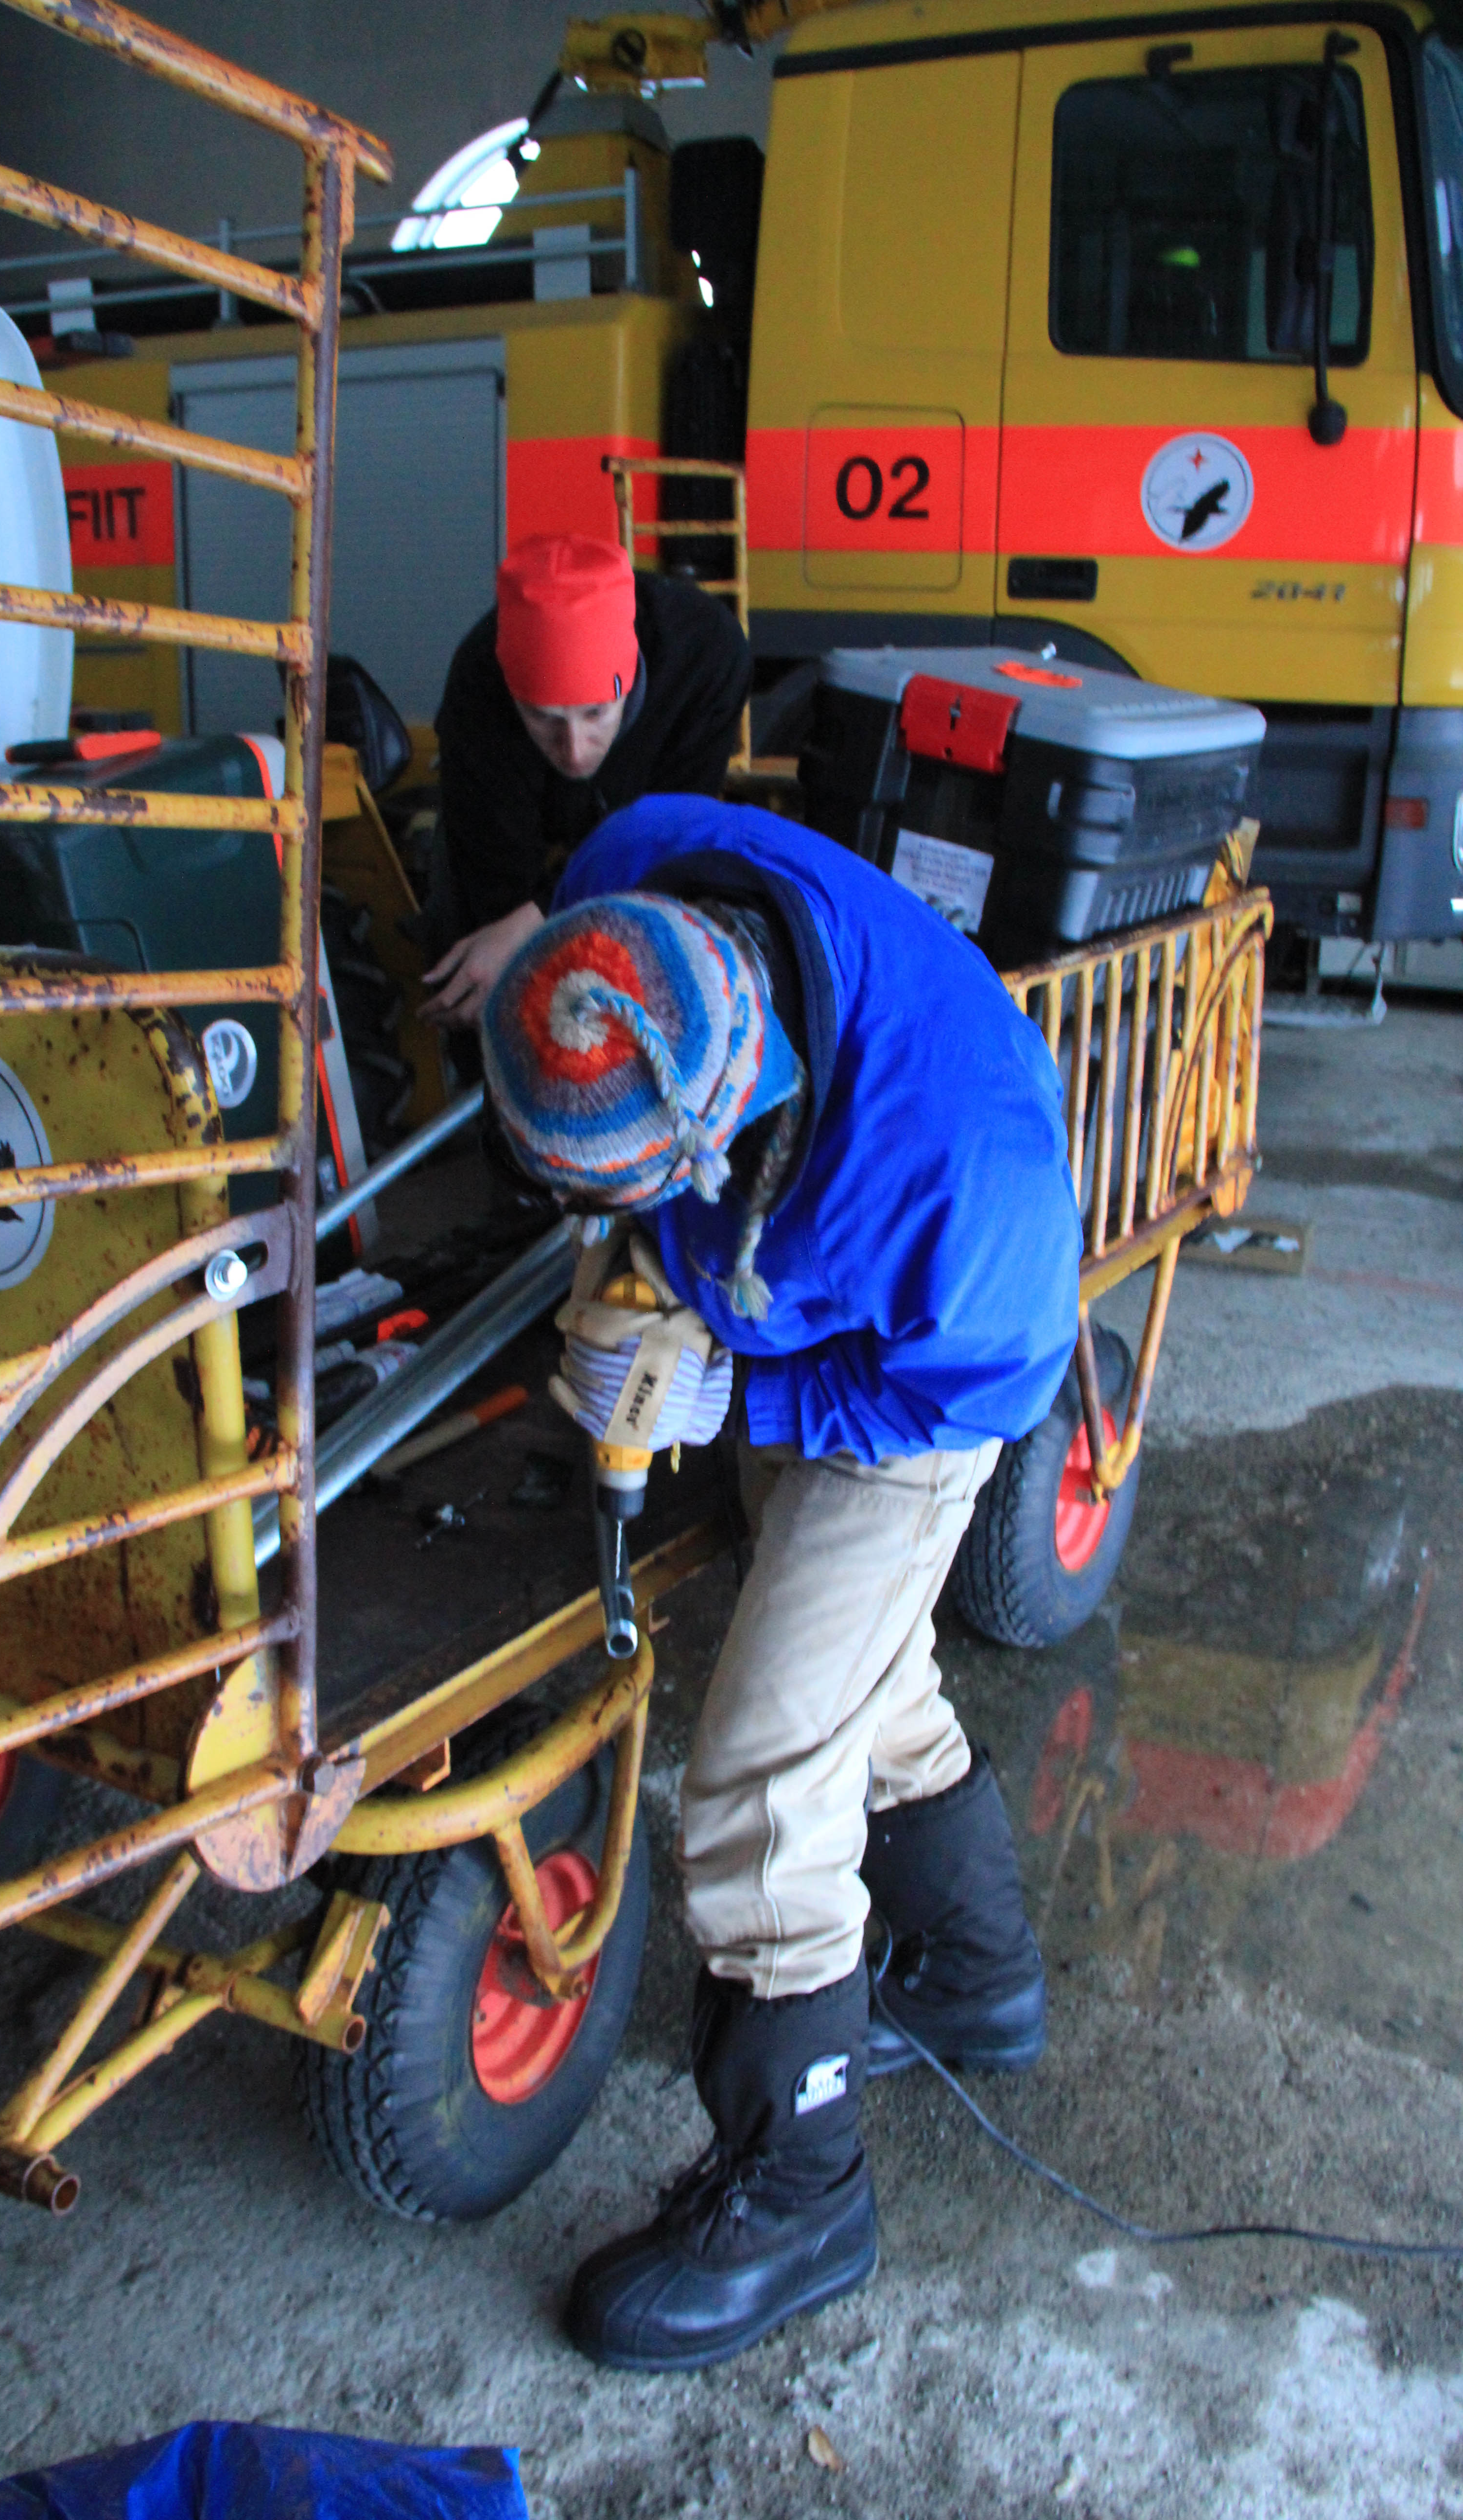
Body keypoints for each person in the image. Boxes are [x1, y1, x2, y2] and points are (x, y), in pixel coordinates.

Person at [478, 791, 1082, 2373]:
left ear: (731, 1125)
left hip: (917, 1390)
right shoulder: (622, 883)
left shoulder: (964, 1179)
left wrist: (734, 1400)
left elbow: (973, 1396)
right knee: (856, 1673)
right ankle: (971, 1981)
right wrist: (640, 1276)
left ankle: (802, 2194)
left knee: (755, 1770)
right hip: (768, 1274)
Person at [420, 532, 750, 1030]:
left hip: (650, 813)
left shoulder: (706, 656)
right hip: (522, 829)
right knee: (484, 963)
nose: (574, 749)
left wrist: (538, 916)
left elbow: (666, 838)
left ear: (633, 677)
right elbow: (498, 893)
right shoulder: (477, 687)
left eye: (596, 715)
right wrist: (510, 955)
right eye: (545, 720)